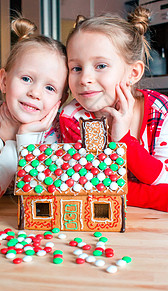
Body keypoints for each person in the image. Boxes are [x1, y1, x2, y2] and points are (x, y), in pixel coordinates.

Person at [60, 7, 168, 212]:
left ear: (133, 73)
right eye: (76, 68)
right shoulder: (74, 117)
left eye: (100, 66)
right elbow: (93, 186)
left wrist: (123, 139)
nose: (84, 79)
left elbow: (163, 178)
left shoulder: (160, 111)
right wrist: (158, 197)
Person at [0, 17, 68, 212]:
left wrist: (25, 137)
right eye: (26, 78)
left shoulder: (54, 128)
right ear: (4, 81)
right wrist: (14, 145)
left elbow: (48, 197)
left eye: (49, 87)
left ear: (61, 99)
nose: (35, 93)